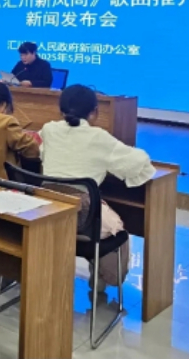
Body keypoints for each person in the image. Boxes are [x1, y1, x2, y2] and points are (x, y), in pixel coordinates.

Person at [41, 84, 154, 289]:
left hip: (47, 212)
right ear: (94, 112)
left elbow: (42, 152)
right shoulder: (99, 137)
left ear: (60, 110)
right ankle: (104, 278)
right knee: (117, 230)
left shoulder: (49, 130)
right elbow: (138, 163)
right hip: (82, 219)